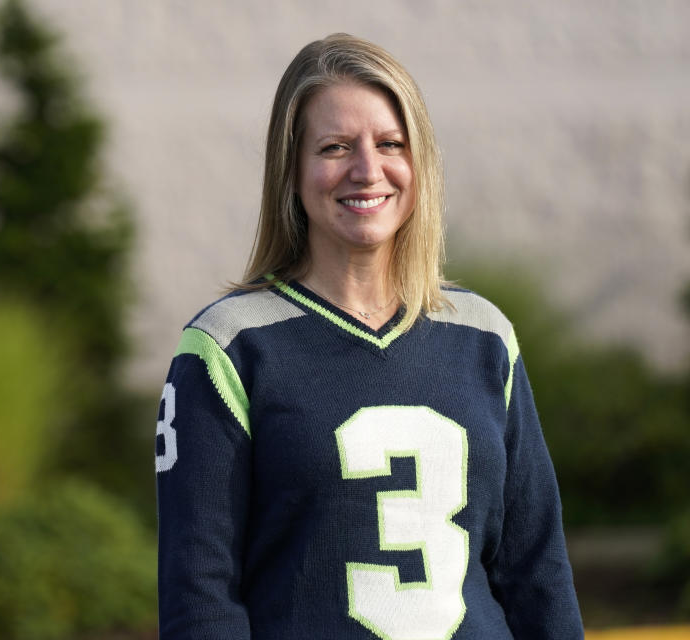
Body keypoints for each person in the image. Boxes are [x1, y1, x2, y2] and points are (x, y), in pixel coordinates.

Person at [154, 33, 584, 640]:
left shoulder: (483, 335)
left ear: (419, 162)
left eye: (390, 144)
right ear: (293, 170)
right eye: (334, 147)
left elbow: (536, 568)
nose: (366, 170)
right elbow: (200, 595)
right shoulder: (228, 346)